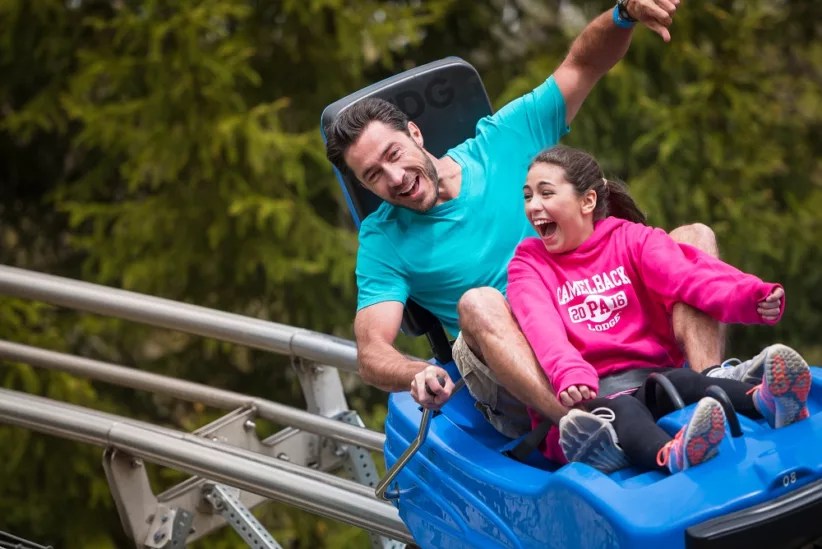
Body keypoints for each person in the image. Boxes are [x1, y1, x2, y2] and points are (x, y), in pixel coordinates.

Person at [325, 0, 741, 461]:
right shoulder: (383, 238)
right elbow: (371, 349)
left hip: (596, 309)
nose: (394, 177)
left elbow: (582, 64)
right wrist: (413, 373)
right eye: (373, 176)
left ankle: (714, 384)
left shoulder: (502, 140)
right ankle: (584, 425)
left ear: (416, 135)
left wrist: (623, 14)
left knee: (693, 238)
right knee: (478, 302)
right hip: (519, 367)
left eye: (393, 154)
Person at [507, 145, 812, 473]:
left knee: (685, 379)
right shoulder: (529, 263)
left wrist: (751, 296)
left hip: (651, 380)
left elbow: (688, 276)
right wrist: (570, 373)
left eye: (546, 194)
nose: (533, 207)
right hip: (592, 398)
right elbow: (541, 326)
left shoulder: (629, 238)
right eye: (528, 197)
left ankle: (765, 401)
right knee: (623, 409)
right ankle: (669, 454)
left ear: (587, 201)